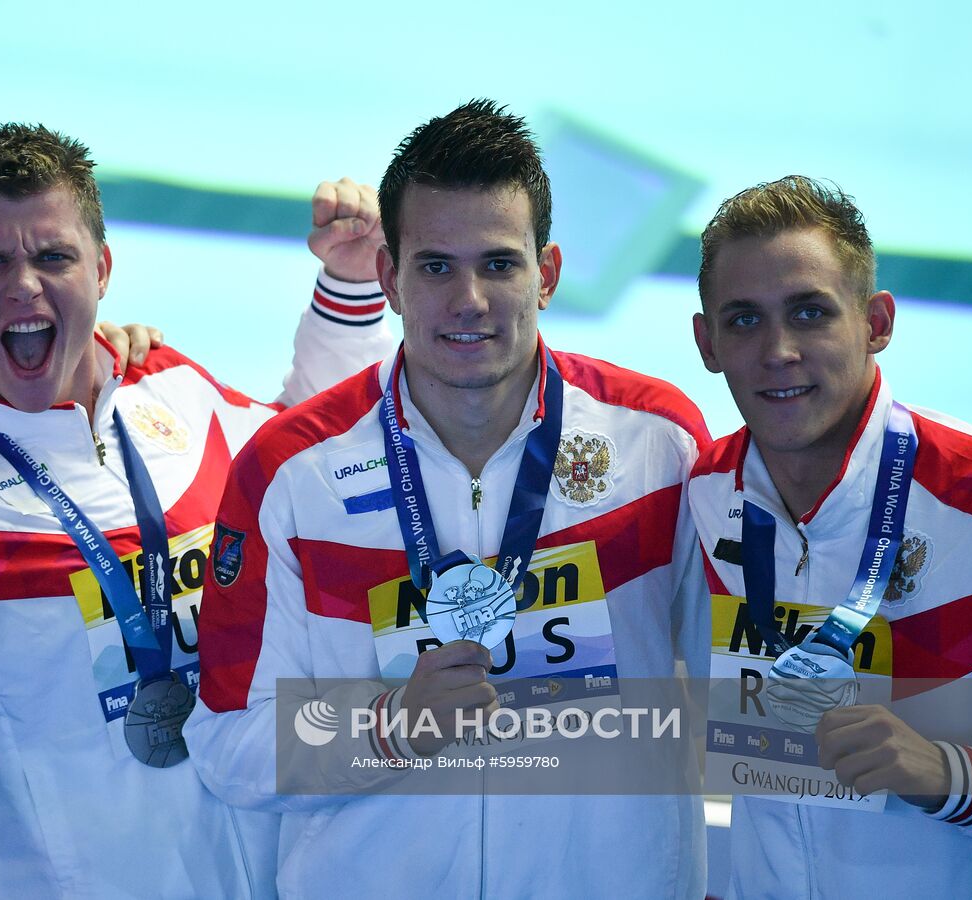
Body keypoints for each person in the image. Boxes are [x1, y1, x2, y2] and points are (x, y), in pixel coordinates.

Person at [0, 122, 395, 897]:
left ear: (103, 269)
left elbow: (311, 463)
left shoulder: (176, 390)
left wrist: (352, 291)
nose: (23, 284)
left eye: (52, 256)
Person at [184, 99, 712, 898]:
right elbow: (228, 744)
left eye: (499, 263)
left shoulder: (657, 444)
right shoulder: (292, 471)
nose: (468, 299)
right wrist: (389, 728)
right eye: (436, 266)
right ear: (390, 278)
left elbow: (746, 688)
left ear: (550, 275)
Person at [689, 175, 972, 897]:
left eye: (810, 312)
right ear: (707, 342)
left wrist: (949, 776)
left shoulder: (966, 491)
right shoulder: (701, 491)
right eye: (744, 319)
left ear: (876, 322)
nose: (778, 350)